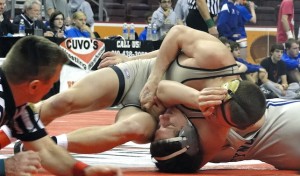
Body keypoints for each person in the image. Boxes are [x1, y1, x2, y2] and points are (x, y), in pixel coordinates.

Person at [0, 36, 121, 176]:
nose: (52, 87)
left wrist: (84, 171)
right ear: (34, 86)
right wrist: (5, 166)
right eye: (53, 83)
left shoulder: (20, 107)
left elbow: (45, 149)